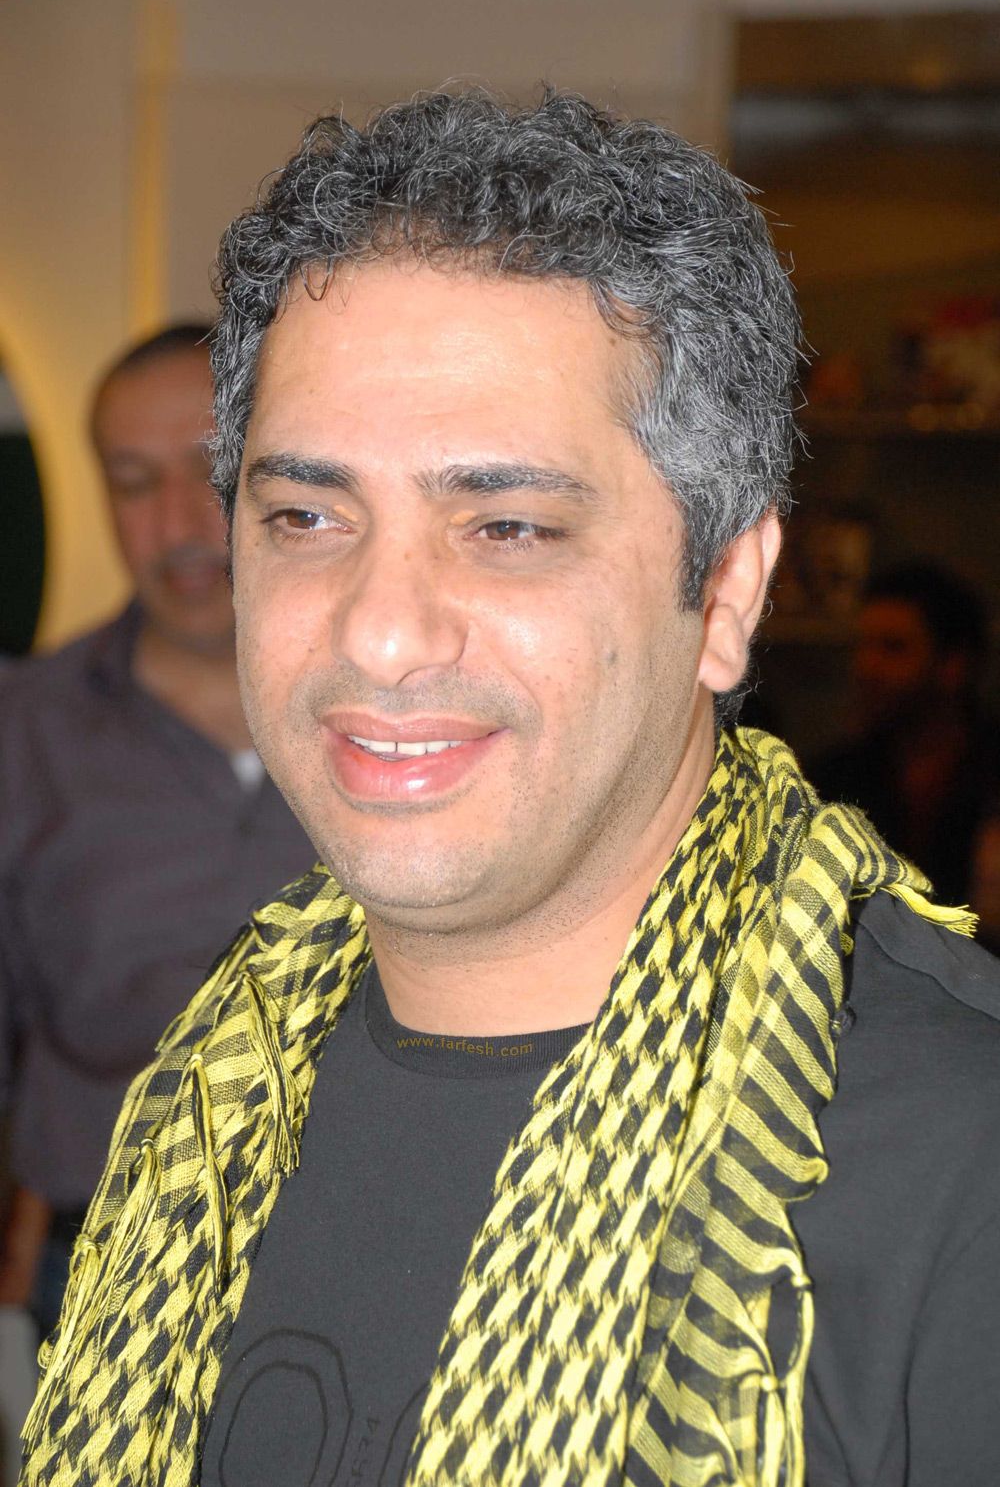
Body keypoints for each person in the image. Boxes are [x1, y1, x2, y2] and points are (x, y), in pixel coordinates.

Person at [20, 93, 1000, 1487]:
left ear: (728, 591)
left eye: (508, 526)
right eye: (306, 516)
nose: (380, 631)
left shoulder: (955, 1164)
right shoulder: (205, 1109)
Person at [0, 325, 314, 1340]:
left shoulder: (410, 706)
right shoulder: (25, 731)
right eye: (133, 484)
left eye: (209, 472)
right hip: (103, 1279)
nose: (176, 524)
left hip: (385, 1256)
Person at [814, 562, 1000, 907]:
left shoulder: (989, 774)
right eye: (864, 645)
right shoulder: (835, 780)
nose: (868, 667)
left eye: (893, 648)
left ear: (953, 665)